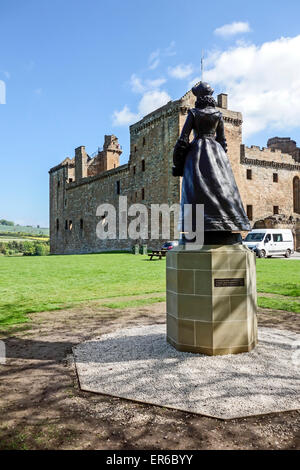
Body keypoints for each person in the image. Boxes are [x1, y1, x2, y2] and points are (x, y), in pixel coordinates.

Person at [173, 82, 251, 245]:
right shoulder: (217, 115)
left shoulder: (193, 113)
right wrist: (222, 162)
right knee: (222, 188)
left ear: (199, 97)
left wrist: (178, 163)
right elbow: (222, 140)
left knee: (196, 191)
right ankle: (226, 223)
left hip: (197, 152)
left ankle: (198, 227)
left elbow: (183, 139)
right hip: (216, 152)